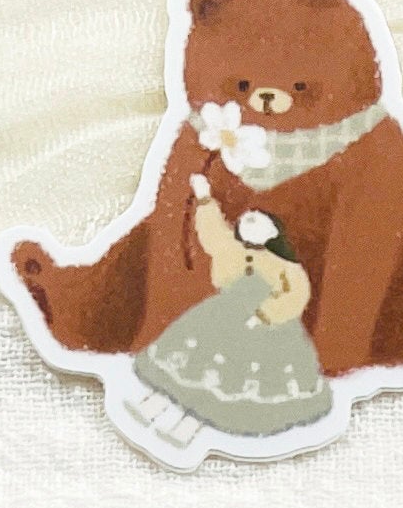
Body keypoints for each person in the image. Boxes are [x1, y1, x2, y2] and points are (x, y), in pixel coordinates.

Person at [126, 174, 329, 454]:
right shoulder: (231, 249)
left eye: (259, 221)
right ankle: (151, 406)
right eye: (248, 219)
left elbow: (296, 294)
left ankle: (188, 429)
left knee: (222, 380)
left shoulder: (284, 266)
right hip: (222, 314)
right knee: (191, 365)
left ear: (274, 233)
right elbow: (212, 233)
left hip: (263, 329)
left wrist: (266, 314)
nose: (250, 221)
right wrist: (204, 198)